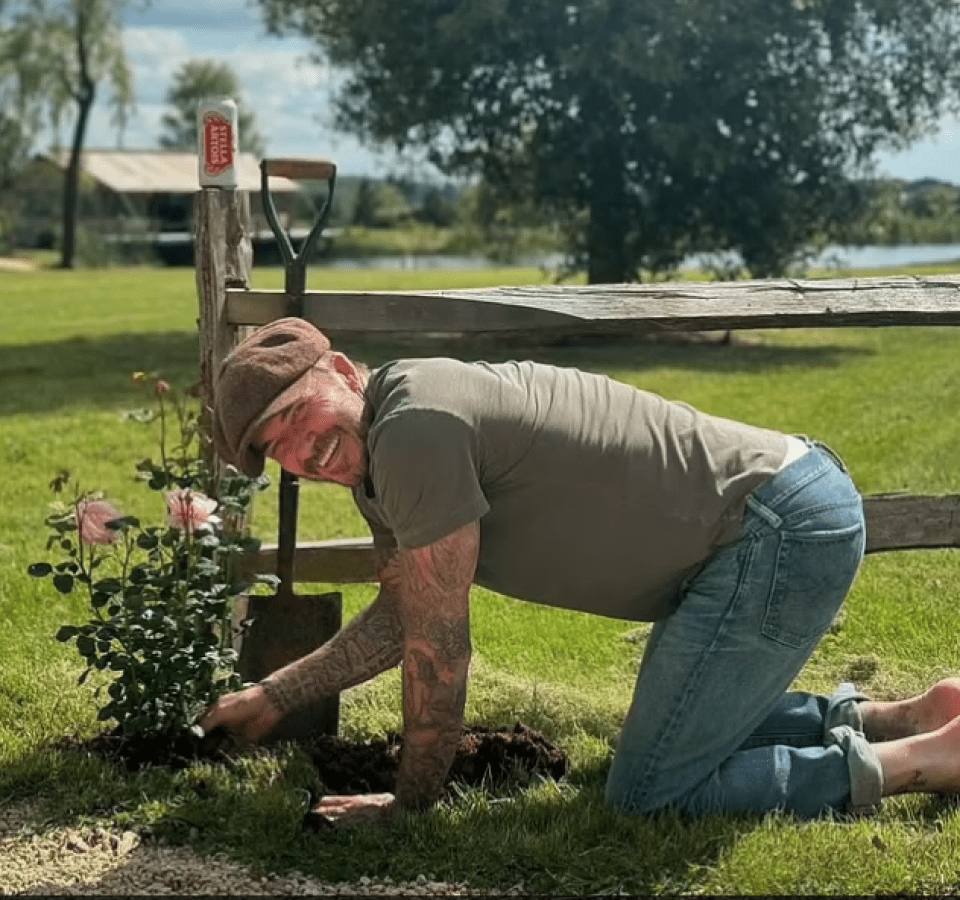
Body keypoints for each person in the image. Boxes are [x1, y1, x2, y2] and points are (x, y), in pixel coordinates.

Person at [200, 316, 960, 828]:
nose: (302, 449)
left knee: (650, 793)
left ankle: (916, 762)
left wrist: (407, 804)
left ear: (340, 369)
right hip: (768, 513)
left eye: (298, 413)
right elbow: (405, 615)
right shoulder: (385, 448)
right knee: (661, 741)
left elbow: (441, 649)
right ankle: (906, 716)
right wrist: (278, 694)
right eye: (277, 447)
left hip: (774, 528)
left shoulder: (412, 434)